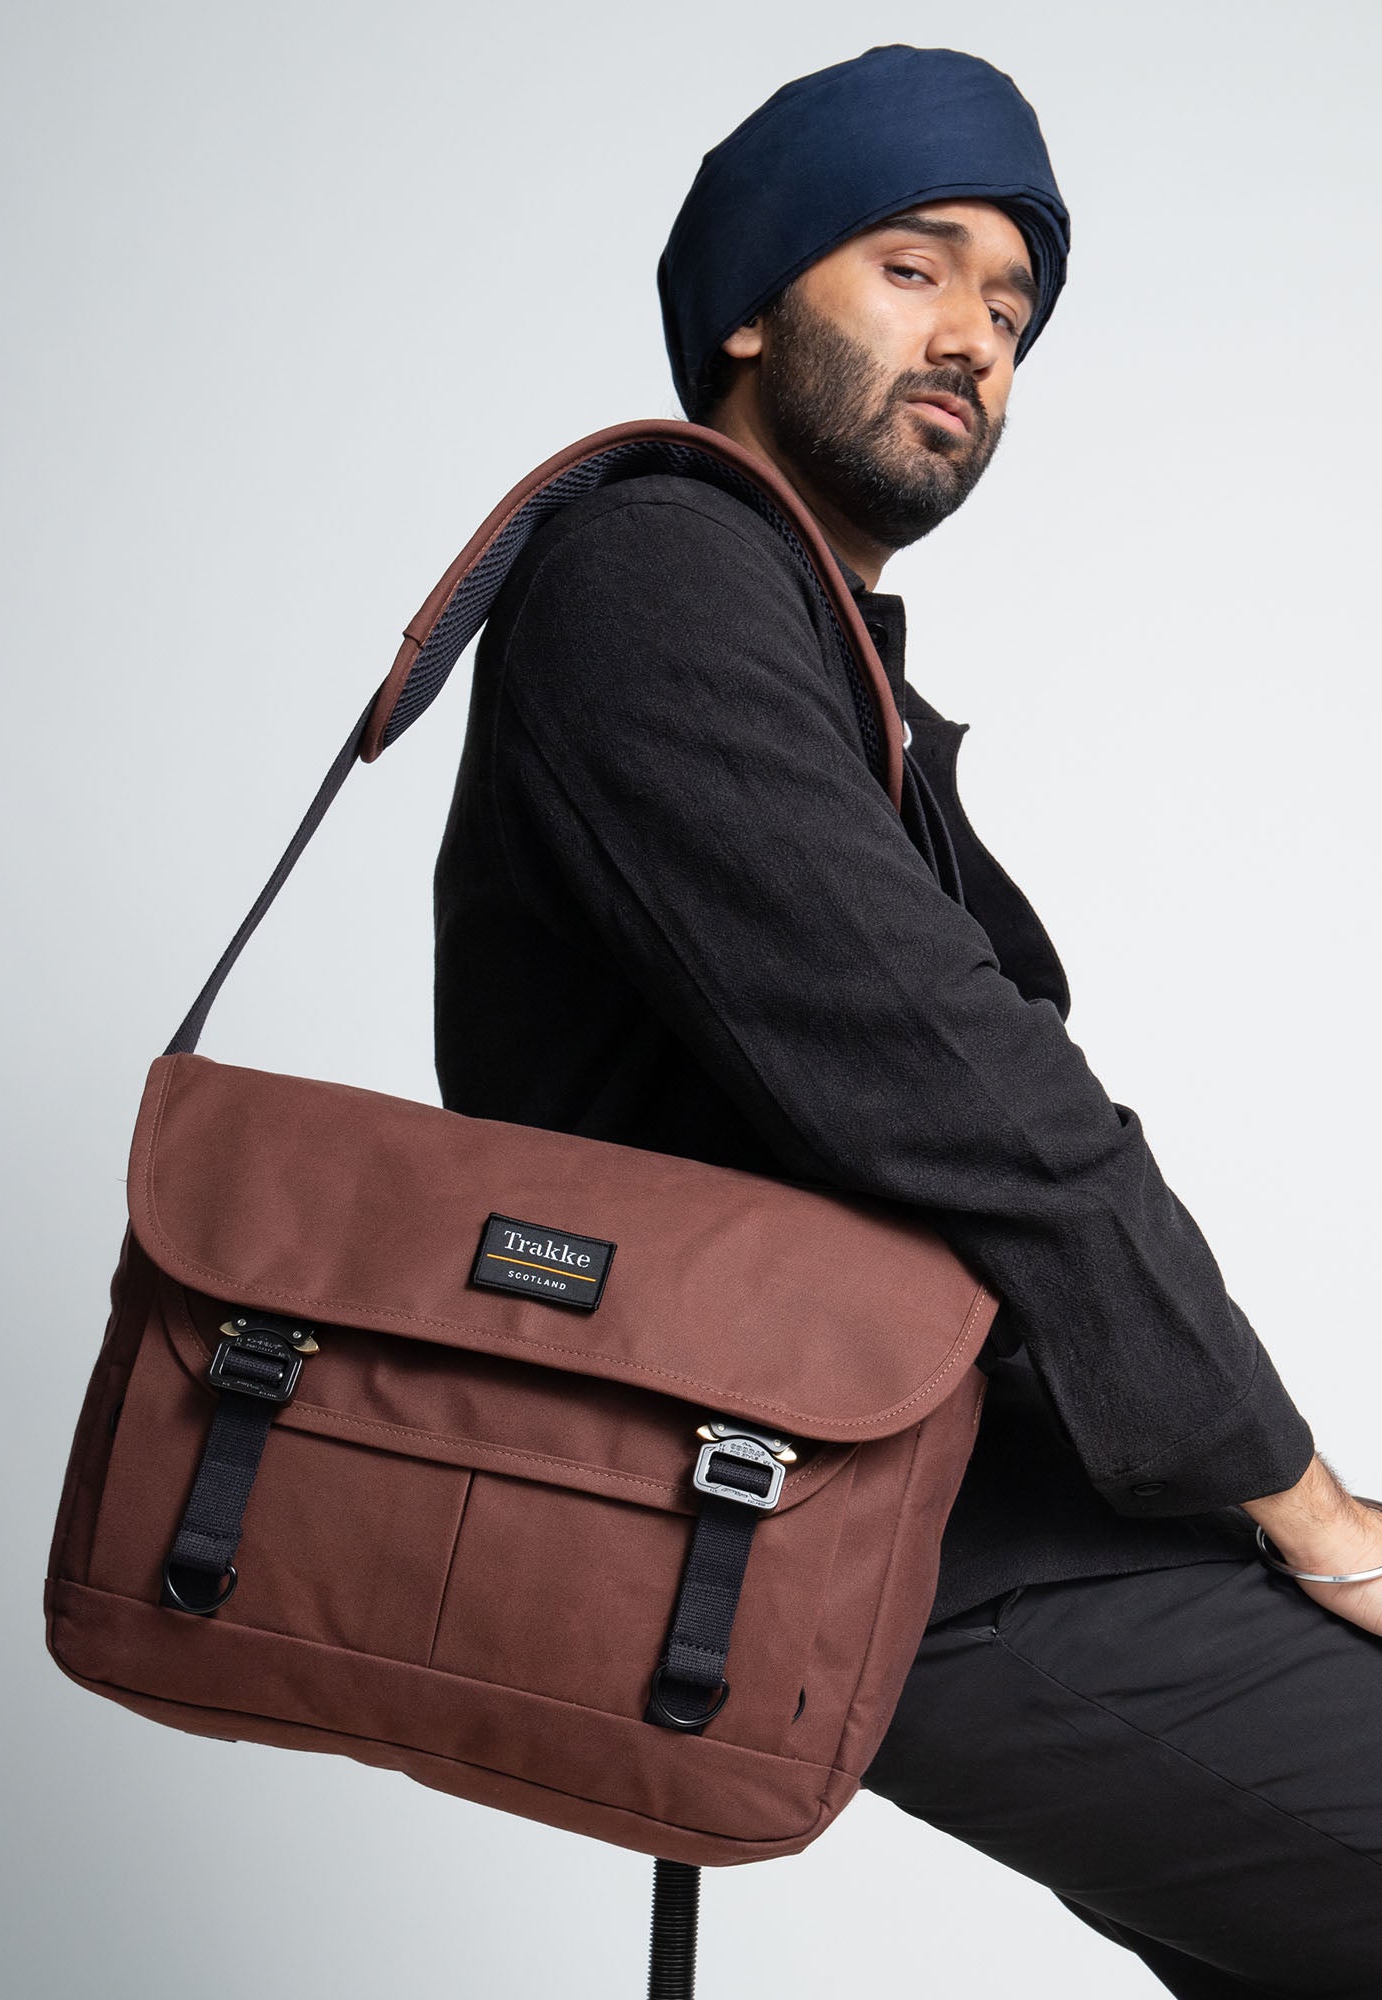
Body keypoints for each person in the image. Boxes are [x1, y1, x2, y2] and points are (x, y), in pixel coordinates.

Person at [431, 43, 1382, 1996]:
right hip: (882, 1532)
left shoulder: (812, 648)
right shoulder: (657, 572)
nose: (976, 338)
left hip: (999, 1505)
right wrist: (1309, 1510)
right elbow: (965, 1090)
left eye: (1014, 306)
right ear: (755, 308)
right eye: (911, 266)